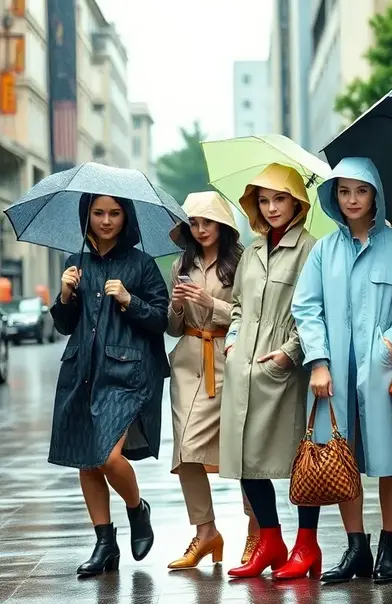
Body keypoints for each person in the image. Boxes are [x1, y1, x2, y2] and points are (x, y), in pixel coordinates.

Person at [292, 156, 392, 584]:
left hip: (383, 369)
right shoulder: (323, 251)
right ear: (334, 197)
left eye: (361, 191)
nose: (352, 199)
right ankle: (357, 547)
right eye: (344, 191)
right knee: (340, 457)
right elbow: (307, 308)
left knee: (390, 460)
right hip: (333, 373)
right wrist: (318, 362)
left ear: (376, 196)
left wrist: (391, 342)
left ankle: (389, 545)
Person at [50, 194, 169, 576]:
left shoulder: (141, 264)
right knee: (86, 459)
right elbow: (65, 325)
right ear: (87, 215)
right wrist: (66, 295)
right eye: (98, 213)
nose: (105, 220)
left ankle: (137, 509)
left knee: (107, 457)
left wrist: (129, 299)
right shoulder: (75, 263)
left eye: (114, 213)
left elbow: (161, 318)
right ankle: (104, 542)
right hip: (81, 371)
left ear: (125, 217)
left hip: (126, 374)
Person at [219, 163, 318, 579]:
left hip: (285, 370)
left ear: (296, 201)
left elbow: (315, 310)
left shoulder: (311, 248)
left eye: (280, 198)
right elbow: (240, 305)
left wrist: (288, 355)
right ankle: (271, 540)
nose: (272, 207)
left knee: (300, 460)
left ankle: (306, 545)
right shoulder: (253, 251)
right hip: (243, 366)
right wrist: (232, 340)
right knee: (244, 457)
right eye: (264, 200)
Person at [165, 192, 246, 569]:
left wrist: (210, 302)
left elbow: (249, 316)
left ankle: (259, 532)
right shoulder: (182, 263)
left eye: (207, 222)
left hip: (228, 362)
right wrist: (178, 305)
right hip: (187, 364)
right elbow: (173, 326)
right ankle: (205, 532)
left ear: (223, 225)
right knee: (185, 451)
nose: (200, 230)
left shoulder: (241, 262)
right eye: (194, 223)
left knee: (242, 450)